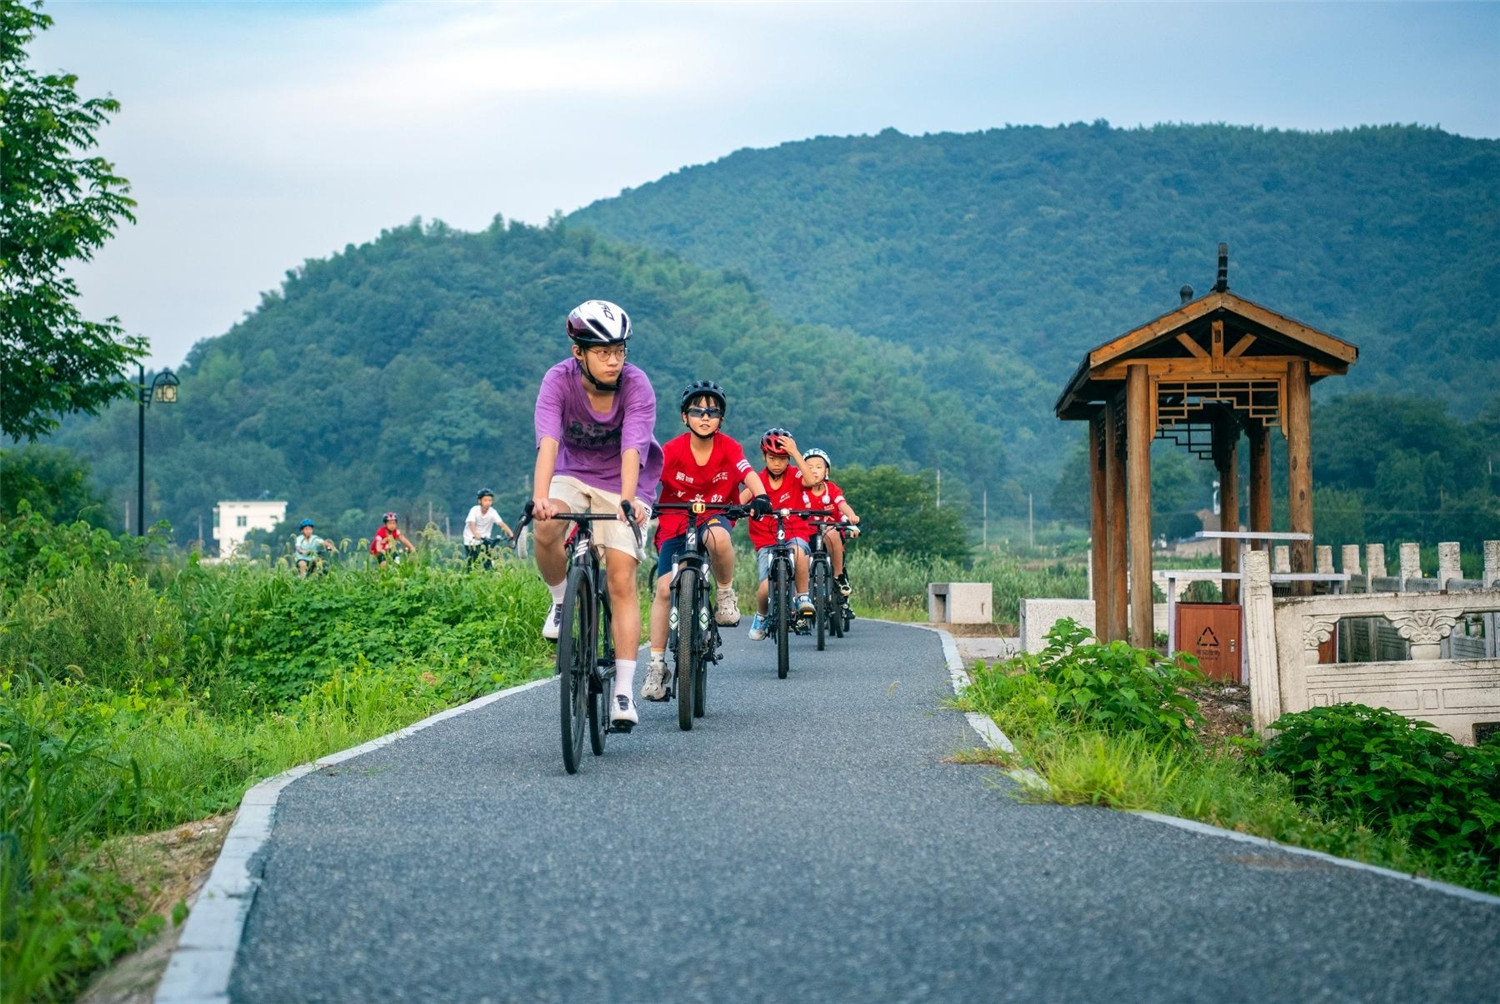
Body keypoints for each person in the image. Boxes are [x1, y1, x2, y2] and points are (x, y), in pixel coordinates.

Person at [530, 299, 663, 729]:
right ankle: (558, 598)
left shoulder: (636, 385)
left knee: (621, 572)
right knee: (546, 524)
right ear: (578, 353)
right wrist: (540, 499)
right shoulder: (557, 381)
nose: (613, 360)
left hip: (624, 481)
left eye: (620, 350)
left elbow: (633, 448)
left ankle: (623, 691)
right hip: (571, 473)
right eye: (603, 352)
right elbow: (548, 442)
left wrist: (628, 501)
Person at [640, 381, 770, 702]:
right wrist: (642, 500)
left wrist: (762, 495)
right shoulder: (670, 450)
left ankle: (725, 593)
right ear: (685, 417)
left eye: (713, 412)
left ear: (720, 420)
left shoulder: (729, 447)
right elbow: (648, 478)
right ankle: (656, 666)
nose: (705, 416)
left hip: (713, 515)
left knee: (720, 537)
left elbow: (748, 474)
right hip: (675, 523)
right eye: (697, 410)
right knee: (662, 589)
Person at [742, 427, 815, 641]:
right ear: (764, 456)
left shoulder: (795, 474)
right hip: (766, 540)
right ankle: (761, 615)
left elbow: (811, 481)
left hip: (794, 531)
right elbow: (741, 500)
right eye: (772, 458)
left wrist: (796, 452)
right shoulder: (758, 480)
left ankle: (801, 596)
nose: (777, 463)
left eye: (783, 459)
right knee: (765, 588)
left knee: (800, 552)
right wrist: (740, 510)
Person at [800, 447, 861, 599]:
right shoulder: (800, 491)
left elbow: (842, 505)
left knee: (832, 532)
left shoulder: (832, 489)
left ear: (826, 471)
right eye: (809, 467)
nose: (814, 471)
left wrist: (852, 516)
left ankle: (839, 577)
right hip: (806, 537)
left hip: (829, 536)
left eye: (819, 467)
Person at [464, 488, 515, 569]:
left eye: (490, 500)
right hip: (471, 540)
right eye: (485, 500)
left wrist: (511, 534)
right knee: (472, 564)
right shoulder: (474, 510)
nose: (488, 503)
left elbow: (501, 523)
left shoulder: (493, 512)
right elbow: (471, 523)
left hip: (485, 540)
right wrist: (475, 534)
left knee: (488, 562)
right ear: (479, 501)